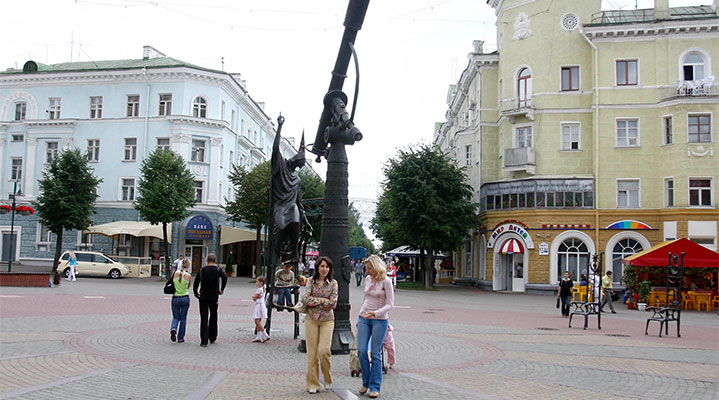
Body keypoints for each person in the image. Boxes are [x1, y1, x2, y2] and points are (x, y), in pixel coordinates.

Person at [357, 254, 394, 399]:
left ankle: (374, 386)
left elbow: (390, 304)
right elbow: (366, 297)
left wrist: (376, 313)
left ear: (377, 267)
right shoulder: (367, 279)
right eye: (367, 268)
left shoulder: (386, 281)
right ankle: (365, 382)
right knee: (361, 350)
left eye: (370, 268)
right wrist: (361, 314)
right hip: (364, 317)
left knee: (375, 353)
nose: (368, 271)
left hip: (379, 319)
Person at [302, 256, 338, 394]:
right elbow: (305, 299)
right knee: (312, 354)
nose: (324, 269)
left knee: (323, 351)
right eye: (322, 266)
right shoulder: (311, 281)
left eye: (327, 267)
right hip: (312, 319)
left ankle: (327, 377)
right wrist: (323, 300)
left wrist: (315, 301)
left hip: (327, 320)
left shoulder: (333, 283)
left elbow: (333, 303)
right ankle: (313, 383)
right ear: (317, 267)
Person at [193, 254, 228, 347]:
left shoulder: (202, 270)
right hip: (214, 296)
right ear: (215, 260)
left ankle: (204, 340)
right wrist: (222, 289)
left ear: (207, 260)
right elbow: (224, 277)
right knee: (213, 315)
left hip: (203, 296)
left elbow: (196, 282)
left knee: (204, 317)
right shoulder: (217, 270)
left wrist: (196, 293)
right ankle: (212, 336)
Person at [170, 258, 192, 343]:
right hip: (185, 297)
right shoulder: (188, 276)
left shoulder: (175, 273)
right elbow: (188, 286)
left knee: (176, 317)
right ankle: (180, 337)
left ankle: (173, 328)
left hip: (175, 297)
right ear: (188, 265)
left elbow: (172, 283)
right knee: (183, 318)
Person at [252, 276, 270, 343]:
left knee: (257, 321)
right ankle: (258, 336)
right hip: (261, 304)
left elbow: (254, 297)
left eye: (257, 282)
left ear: (261, 282)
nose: (256, 283)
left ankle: (265, 335)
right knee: (258, 320)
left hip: (259, 305)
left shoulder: (259, 289)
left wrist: (253, 297)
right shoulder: (264, 288)